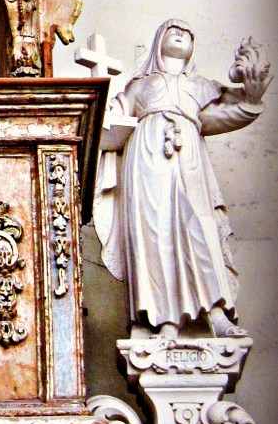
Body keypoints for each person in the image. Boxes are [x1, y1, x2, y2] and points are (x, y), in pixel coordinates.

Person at [96, 18, 270, 339]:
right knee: (153, 231)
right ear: (158, 40)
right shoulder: (139, 85)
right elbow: (114, 119)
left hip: (188, 156)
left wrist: (250, 98)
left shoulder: (202, 87)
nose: (179, 33)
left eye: (186, 32)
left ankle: (216, 313)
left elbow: (227, 113)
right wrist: (99, 108)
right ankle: (165, 320)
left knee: (199, 226)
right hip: (145, 158)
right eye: (172, 30)